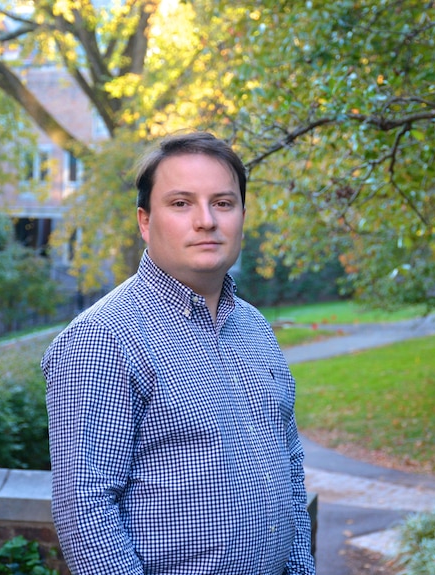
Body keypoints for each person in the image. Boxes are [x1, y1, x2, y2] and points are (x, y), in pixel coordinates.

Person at [42, 131, 316, 575]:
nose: (206, 220)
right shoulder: (103, 338)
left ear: (242, 215)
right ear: (145, 222)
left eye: (223, 203)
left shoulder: (255, 327)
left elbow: (288, 464)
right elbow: (85, 511)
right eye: (181, 203)